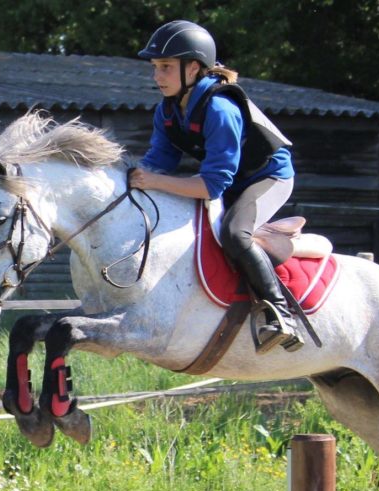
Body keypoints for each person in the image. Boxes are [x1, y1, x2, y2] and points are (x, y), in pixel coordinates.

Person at [128, 20, 301, 353]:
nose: (157, 76)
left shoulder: (220, 108)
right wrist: (128, 178)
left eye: (165, 67)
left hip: (269, 177)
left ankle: (281, 314)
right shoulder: (166, 111)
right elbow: (158, 163)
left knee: (235, 233)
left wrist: (151, 181)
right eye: (155, 67)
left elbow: (210, 186)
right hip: (230, 179)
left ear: (193, 68)